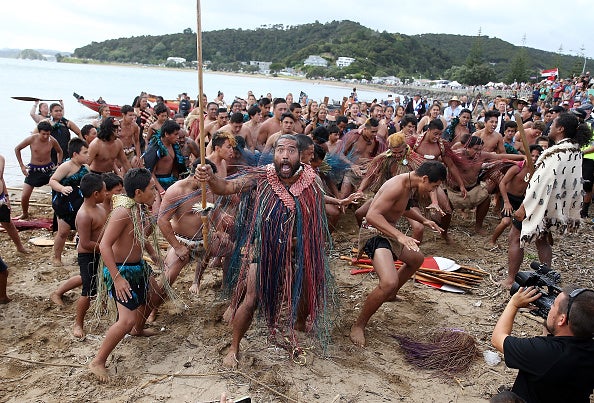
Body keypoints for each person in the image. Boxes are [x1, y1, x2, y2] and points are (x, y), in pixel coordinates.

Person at [195, 134, 335, 368]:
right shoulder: (261, 176)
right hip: (265, 247)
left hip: (299, 247)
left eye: (291, 151)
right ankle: (234, 347)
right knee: (251, 299)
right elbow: (227, 186)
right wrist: (209, 178)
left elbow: (318, 215)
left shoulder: (313, 181)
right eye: (280, 150)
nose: (285, 155)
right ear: (275, 154)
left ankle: (300, 323)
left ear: (300, 156)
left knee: (306, 288)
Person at [350, 161, 446, 347]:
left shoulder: (410, 183)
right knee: (388, 281)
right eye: (433, 186)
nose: (433, 191)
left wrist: (425, 221)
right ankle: (359, 324)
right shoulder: (396, 186)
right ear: (425, 178)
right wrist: (401, 236)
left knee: (417, 259)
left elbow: (403, 208)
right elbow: (371, 215)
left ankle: (391, 295)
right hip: (374, 233)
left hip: (389, 233)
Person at [89, 168, 160, 382]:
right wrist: (117, 278)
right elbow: (104, 245)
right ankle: (98, 361)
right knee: (125, 320)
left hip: (138, 267)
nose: (155, 192)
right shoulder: (122, 212)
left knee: (154, 295)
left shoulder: (138, 208)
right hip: (121, 270)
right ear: (138, 192)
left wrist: (154, 254)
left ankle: (138, 329)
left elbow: (139, 235)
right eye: (152, 189)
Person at [504, 112, 590, 288]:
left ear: (560, 129)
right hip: (554, 207)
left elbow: (540, 184)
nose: (549, 126)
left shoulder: (556, 153)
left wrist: (524, 207)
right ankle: (547, 279)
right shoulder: (575, 151)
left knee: (515, 236)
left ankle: (511, 279)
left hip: (539, 204)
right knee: (541, 238)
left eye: (553, 124)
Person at [491, 286, 594, 403]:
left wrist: (513, 304)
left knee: (503, 399)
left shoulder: (543, 352)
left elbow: (497, 339)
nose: (550, 306)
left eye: (553, 304)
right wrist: (552, 321)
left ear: (562, 320)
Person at [72, 173, 107, 338]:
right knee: (88, 291)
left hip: (101, 252)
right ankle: (78, 323)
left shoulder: (100, 208)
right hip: (88, 257)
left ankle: (104, 307)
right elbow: (85, 243)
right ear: (96, 194)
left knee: (104, 282)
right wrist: (106, 248)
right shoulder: (84, 214)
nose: (106, 194)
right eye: (104, 191)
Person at [49, 138, 90, 266]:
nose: (88, 155)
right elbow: (52, 181)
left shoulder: (86, 168)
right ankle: (57, 257)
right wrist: (62, 188)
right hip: (64, 204)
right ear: (75, 154)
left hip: (79, 203)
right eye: (85, 152)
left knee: (83, 230)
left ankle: (82, 255)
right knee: (63, 232)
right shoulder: (66, 166)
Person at [15, 121, 63, 220]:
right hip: (34, 169)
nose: (45, 136)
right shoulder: (32, 139)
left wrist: (59, 164)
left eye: (48, 134)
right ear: (39, 132)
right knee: (24, 195)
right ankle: (25, 213)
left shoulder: (52, 140)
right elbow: (17, 149)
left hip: (48, 169)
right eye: (43, 134)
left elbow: (60, 151)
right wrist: (22, 166)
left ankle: (59, 214)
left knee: (58, 192)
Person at [0, 154, 29, 253]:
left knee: (8, 223)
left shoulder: (1, 159)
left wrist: (7, 197)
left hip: (1, 198)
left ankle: (19, 246)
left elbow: (1, 178)